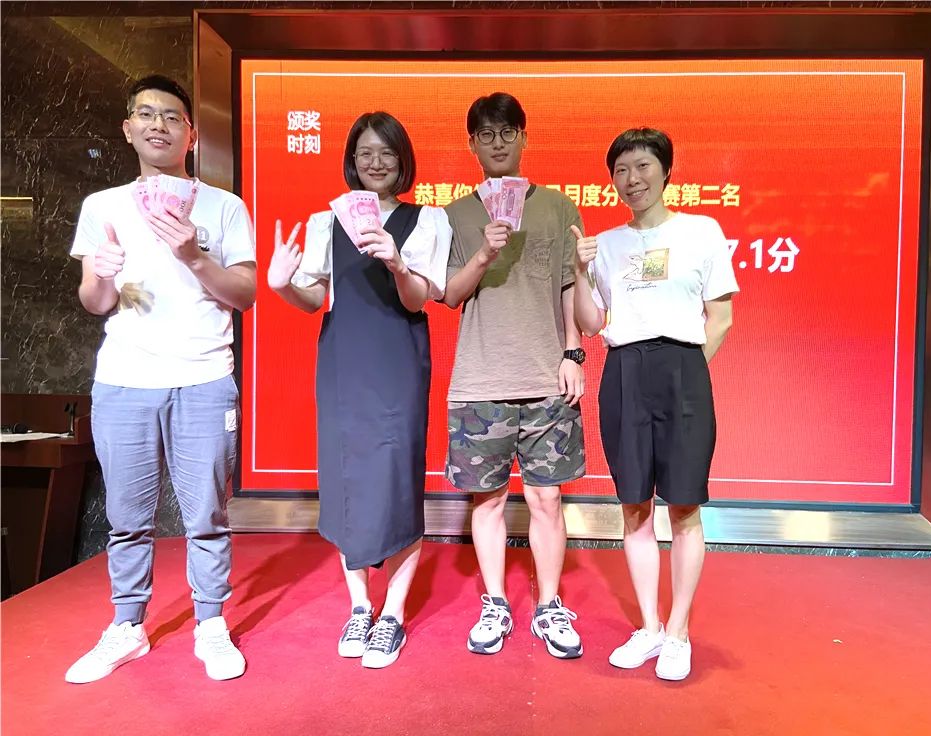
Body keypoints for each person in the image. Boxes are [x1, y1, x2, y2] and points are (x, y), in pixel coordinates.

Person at [65, 75, 256, 683]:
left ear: (191, 135)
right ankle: (127, 626)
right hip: (124, 379)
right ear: (128, 129)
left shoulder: (224, 207)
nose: (159, 125)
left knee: (207, 515)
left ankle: (210, 622)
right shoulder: (103, 207)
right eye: (146, 115)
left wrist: (194, 255)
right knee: (127, 517)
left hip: (204, 377)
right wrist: (101, 273)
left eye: (173, 117)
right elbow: (95, 301)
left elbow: (245, 294)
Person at [268, 112, 450, 669]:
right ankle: (359, 606)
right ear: (352, 159)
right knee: (346, 476)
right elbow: (312, 299)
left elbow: (419, 299)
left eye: (387, 152)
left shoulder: (427, 220)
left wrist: (395, 262)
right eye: (365, 152)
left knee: (397, 478)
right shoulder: (327, 221)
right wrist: (280, 285)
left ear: (403, 160)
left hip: (397, 360)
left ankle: (392, 613)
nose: (376, 162)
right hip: (343, 364)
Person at [572, 127, 737, 681]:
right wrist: (578, 271)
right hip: (624, 373)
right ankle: (649, 626)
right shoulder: (605, 244)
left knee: (684, 507)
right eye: (620, 170)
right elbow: (590, 324)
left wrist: (687, 373)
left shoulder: (702, 231)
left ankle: (679, 632)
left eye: (642, 166)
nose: (632, 179)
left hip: (683, 371)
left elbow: (721, 319)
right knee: (634, 506)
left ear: (666, 170)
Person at [443, 92, 587, 659]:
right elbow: (448, 294)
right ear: (472, 144)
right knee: (488, 503)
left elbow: (570, 285)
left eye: (508, 131)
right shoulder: (455, 214)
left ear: (525, 137)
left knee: (547, 499)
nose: (498, 142)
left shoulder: (557, 207)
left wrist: (573, 353)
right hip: (480, 382)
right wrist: (482, 253)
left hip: (547, 378)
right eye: (486, 133)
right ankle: (496, 604)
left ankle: (549, 605)